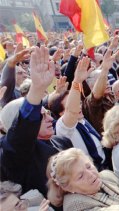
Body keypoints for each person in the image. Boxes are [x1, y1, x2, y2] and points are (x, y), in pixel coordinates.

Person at [0, 46, 59, 196]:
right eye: (41, 115)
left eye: (48, 113)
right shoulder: (13, 154)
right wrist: (37, 89)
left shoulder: (60, 141)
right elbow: (23, 129)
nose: (51, 119)